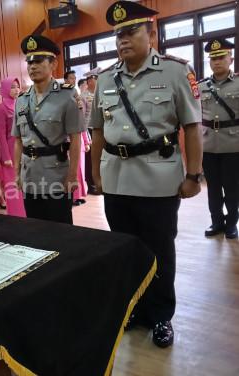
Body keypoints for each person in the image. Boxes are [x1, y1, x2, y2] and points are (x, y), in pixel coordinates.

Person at [90, 1, 203, 348]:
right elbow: (97, 132)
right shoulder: (106, 78)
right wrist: (96, 175)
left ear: (151, 33)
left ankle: (161, 316)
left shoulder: (175, 72)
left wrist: (194, 175)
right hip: (117, 179)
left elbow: (192, 127)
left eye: (130, 31)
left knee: (159, 252)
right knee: (127, 250)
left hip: (159, 180)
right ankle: (135, 310)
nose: (123, 40)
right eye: (118, 35)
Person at [12, 35, 85, 224]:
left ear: (53, 64)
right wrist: (17, 174)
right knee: (36, 231)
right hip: (29, 177)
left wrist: (72, 176)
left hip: (57, 177)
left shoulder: (67, 95)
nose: (32, 67)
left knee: (61, 232)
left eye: (38, 61)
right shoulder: (21, 100)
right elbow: (18, 141)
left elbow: (75, 139)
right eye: (29, 62)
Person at [199, 39, 239, 240]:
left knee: (232, 188)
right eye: (213, 58)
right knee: (213, 188)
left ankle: (232, 223)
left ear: (230, 59)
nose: (217, 62)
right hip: (208, 146)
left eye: (221, 57)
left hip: (233, 145)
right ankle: (217, 221)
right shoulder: (201, 86)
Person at [0, 77, 26, 217]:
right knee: (13, 185)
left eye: (17, 86)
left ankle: (26, 213)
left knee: (24, 182)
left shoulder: (21, 104)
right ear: (5, 89)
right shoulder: (0, 109)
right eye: (12, 87)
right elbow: (0, 135)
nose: (16, 90)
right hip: (10, 149)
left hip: (24, 147)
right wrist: (6, 157)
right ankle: (16, 214)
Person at [81, 70, 99, 194]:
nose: (97, 81)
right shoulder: (83, 96)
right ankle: (91, 184)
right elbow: (81, 117)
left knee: (99, 157)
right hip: (88, 131)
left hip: (100, 129)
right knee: (90, 160)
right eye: (94, 79)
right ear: (89, 81)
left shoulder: (100, 93)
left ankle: (99, 181)